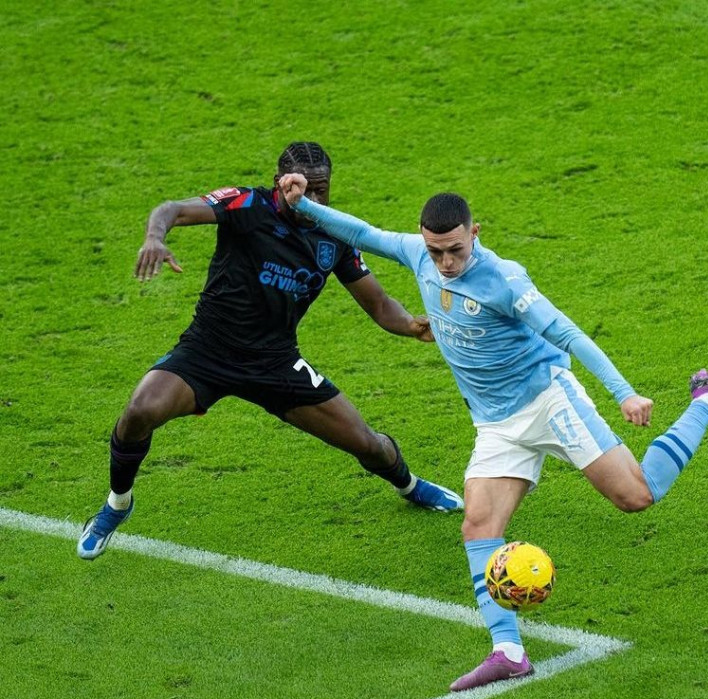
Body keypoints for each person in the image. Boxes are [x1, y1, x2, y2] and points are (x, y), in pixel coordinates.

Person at [278, 173, 708, 691]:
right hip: (496, 423)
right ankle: (509, 652)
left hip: (548, 402)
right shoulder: (418, 254)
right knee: (478, 525)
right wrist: (304, 205)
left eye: (454, 250)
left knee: (636, 495)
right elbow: (363, 233)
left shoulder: (505, 280)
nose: (445, 263)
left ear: (475, 233)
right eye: (435, 251)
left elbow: (567, 333)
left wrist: (624, 392)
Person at [78, 142, 464, 561]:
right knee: (139, 411)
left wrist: (411, 327)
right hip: (208, 351)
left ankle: (409, 486)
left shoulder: (334, 233)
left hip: (275, 362)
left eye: (323, 189)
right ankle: (118, 503)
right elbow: (172, 209)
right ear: (282, 182)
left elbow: (378, 304)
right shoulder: (246, 204)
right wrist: (154, 238)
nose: (314, 199)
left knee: (366, 444)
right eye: (305, 188)